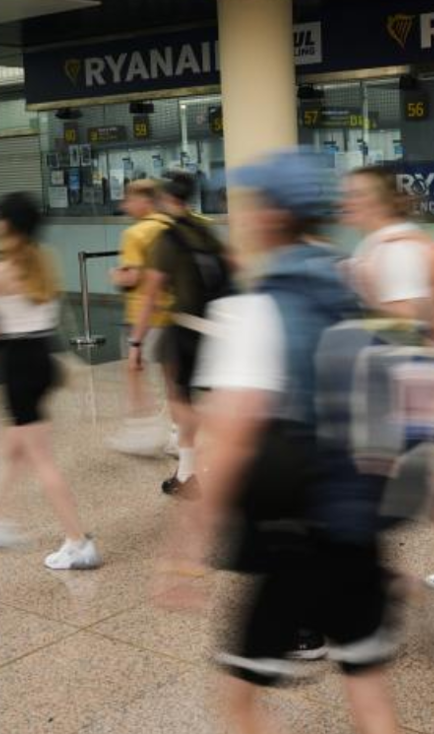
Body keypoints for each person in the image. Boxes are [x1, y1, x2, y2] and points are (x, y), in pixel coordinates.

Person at [157, 150, 401, 734]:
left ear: (271, 216)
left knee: (238, 699)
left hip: (292, 539)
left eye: (249, 205)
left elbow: (231, 442)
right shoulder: (354, 287)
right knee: (368, 692)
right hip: (358, 526)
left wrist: (186, 546)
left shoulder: (254, 313)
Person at [340, 165, 434, 592]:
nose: (346, 201)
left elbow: (408, 317)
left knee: (376, 471)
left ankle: (365, 575)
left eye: (356, 194)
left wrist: (354, 300)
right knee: (420, 473)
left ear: (380, 200)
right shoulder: (387, 242)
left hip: (407, 376)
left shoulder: (398, 249)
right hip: (410, 372)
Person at [0, 193, 100, 570]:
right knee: (14, 445)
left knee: (40, 457)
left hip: (19, 366)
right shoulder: (43, 261)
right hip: (42, 358)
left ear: (5, 225)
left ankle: (78, 541)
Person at [129, 170, 231, 499]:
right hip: (216, 327)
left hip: (185, 327)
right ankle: (195, 470)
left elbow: (151, 294)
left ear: (165, 198)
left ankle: (191, 471)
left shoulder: (167, 238)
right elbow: (232, 265)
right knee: (210, 397)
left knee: (180, 401)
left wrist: (136, 341)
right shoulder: (205, 229)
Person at [107, 179, 174, 457]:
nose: (125, 205)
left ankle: (142, 433)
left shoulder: (135, 234)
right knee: (171, 376)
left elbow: (133, 276)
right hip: (173, 310)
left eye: (129, 199)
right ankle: (175, 432)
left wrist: (116, 276)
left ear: (145, 201)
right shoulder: (170, 226)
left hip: (144, 315)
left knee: (134, 370)